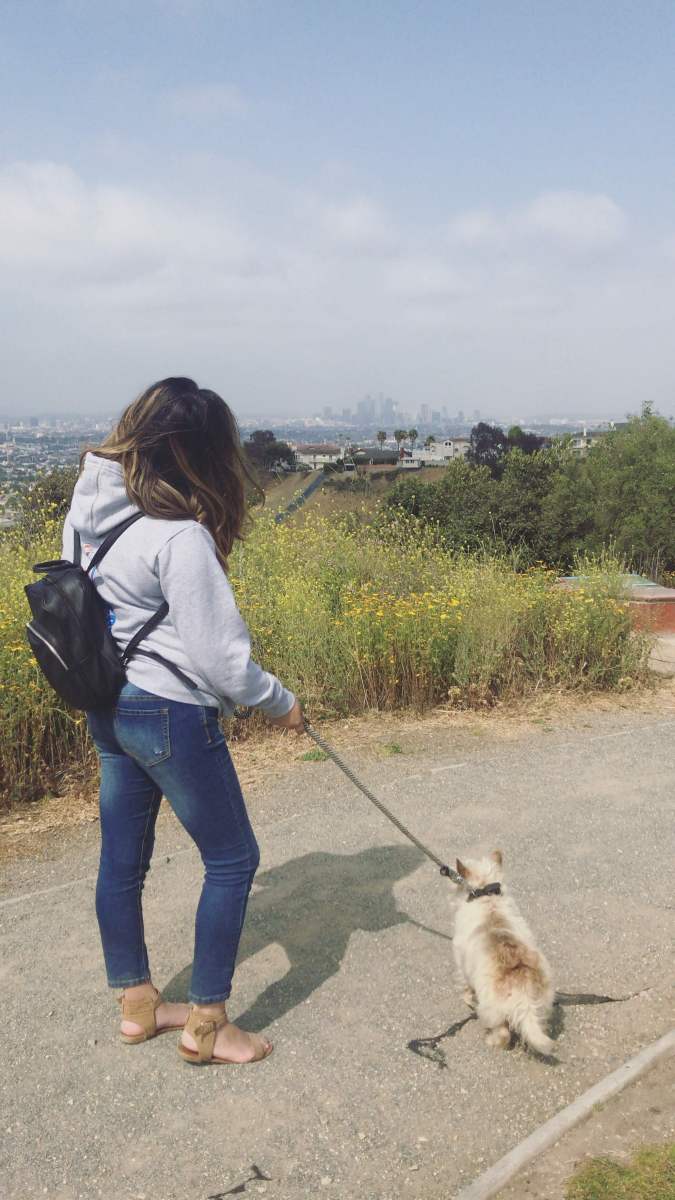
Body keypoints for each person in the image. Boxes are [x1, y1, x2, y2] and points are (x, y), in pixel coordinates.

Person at [61, 377, 304, 1066]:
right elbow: (222, 661)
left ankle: (138, 1008)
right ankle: (207, 1025)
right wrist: (282, 703)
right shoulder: (177, 536)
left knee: (121, 863)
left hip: (108, 707)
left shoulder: (87, 515)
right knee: (233, 860)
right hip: (168, 711)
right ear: (195, 454)